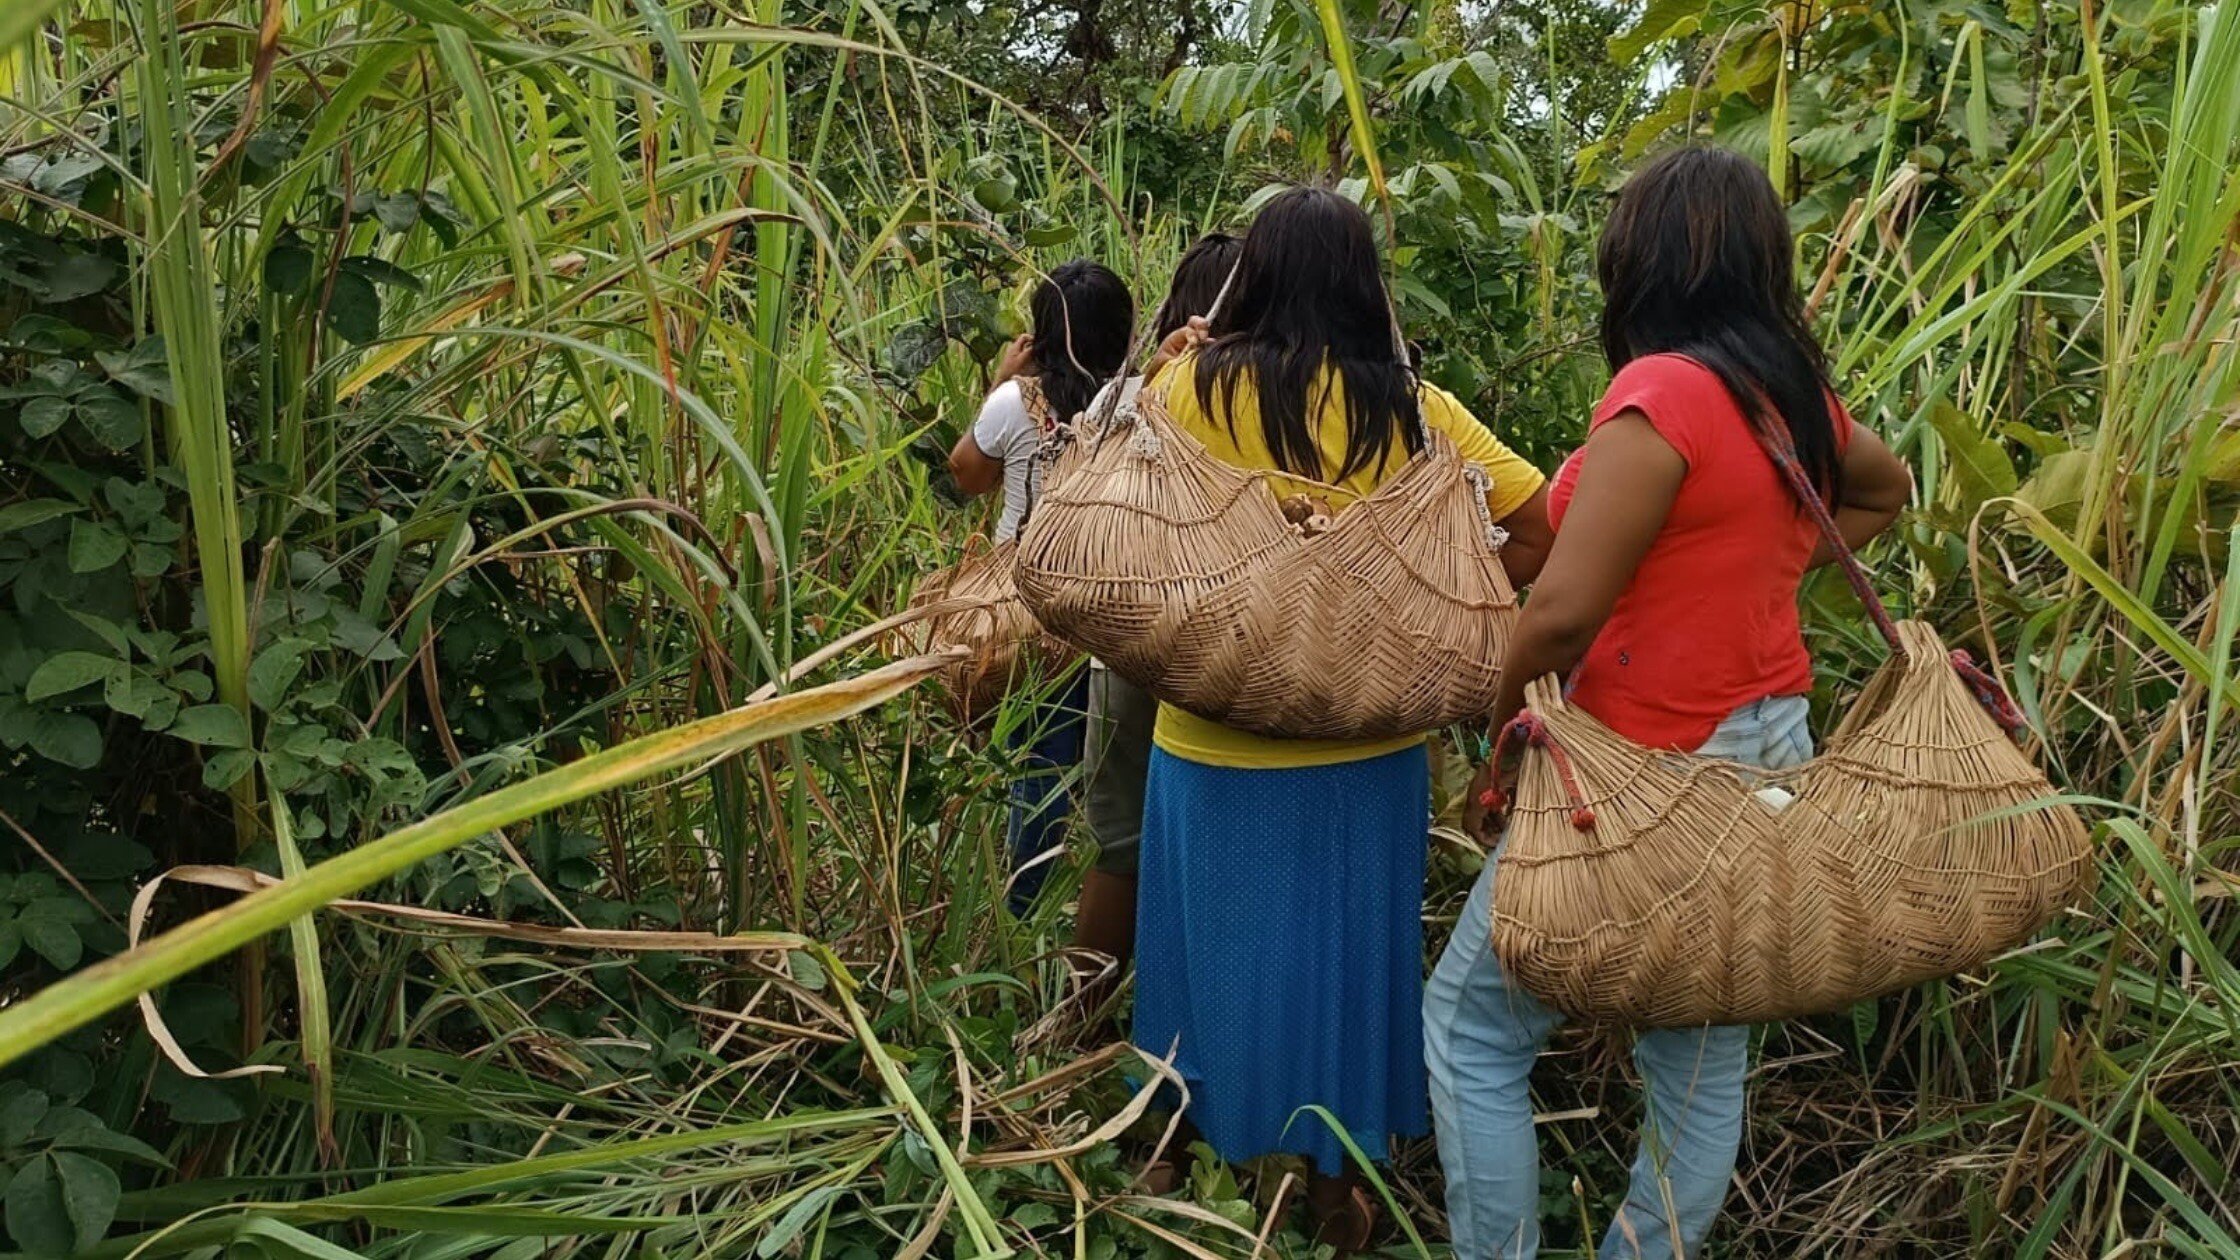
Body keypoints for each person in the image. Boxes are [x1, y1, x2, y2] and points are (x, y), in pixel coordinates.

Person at [1423, 147, 1913, 1259]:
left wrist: (1494, 750)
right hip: (1766, 755)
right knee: (1696, 1064)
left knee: (1470, 1030)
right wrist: (1759, 574)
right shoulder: (1786, 400)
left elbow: (1554, 620)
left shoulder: (1663, 396)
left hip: (1646, 767)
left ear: (1644, 262)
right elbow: (1882, 488)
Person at [1130, 188, 1553, 1248]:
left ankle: (1165, 1159)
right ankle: (1328, 1197)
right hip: (1366, 744)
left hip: (1211, 729)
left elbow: (1117, 492)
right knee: (1344, 970)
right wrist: (1454, 591)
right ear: (1367, 284)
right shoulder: (1414, 410)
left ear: (1252, 274)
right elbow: (1543, 525)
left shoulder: (1186, 386)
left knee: (1192, 952)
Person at [1073, 233, 1243, 1026]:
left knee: (1121, 847)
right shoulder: (1245, 400)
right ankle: (1173, 1037)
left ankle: (1075, 1029)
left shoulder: (1132, 393)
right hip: (1221, 653)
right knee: (1198, 860)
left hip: (1124, 644)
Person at [948, 259, 1135, 911]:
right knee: (1113, 763)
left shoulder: (1015, 402)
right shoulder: (1136, 400)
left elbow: (966, 476)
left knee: (1038, 764)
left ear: (1042, 331)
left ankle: (1026, 904)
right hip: (1113, 601)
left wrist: (1000, 380)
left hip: (1028, 609)